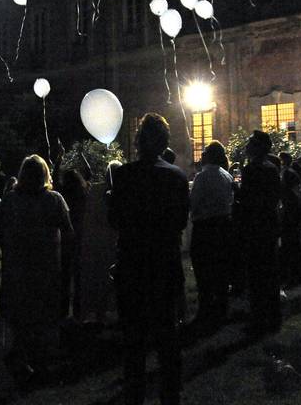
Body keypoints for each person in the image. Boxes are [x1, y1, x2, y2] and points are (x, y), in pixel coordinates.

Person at [106, 114, 189, 405]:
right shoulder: (177, 177)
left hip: (133, 264)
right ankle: (171, 394)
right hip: (164, 263)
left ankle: (135, 395)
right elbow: (180, 221)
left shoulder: (125, 176)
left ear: (139, 141)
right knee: (168, 336)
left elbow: (114, 220)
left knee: (134, 340)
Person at [0, 155, 74, 380]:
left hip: (18, 264)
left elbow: (0, 229)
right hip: (47, 264)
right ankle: (40, 357)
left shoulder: (10, 200)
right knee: (43, 311)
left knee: (21, 310)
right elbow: (68, 231)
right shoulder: (54, 200)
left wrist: (8, 250)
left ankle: (21, 354)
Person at [237, 131, 282, 335]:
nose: (247, 146)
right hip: (269, 226)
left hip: (255, 227)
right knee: (270, 272)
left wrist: (237, 192)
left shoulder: (251, 169)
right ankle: (273, 316)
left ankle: (258, 318)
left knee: (256, 274)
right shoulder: (272, 168)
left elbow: (248, 200)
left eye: (250, 143)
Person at [188, 141, 235, 331]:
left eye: (205, 152)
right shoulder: (227, 175)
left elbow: (194, 202)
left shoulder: (202, 176)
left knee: (204, 270)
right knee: (221, 270)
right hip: (223, 225)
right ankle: (222, 309)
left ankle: (205, 310)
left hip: (205, 227)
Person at [77, 161, 120, 325]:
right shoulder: (117, 191)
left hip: (99, 240)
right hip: (108, 240)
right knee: (106, 278)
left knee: (100, 277)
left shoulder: (96, 190)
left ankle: (101, 312)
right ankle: (107, 312)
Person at [57, 168, 88, 320]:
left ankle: (62, 310)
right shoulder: (84, 194)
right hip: (79, 237)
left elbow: (56, 179)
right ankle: (78, 310)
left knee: (64, 276)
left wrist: (58, 161)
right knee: (79, 277)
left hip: (65, 238)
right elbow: (88, 173)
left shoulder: (62, 194)